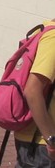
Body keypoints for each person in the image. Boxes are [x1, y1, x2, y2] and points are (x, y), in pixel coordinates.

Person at [14, 18, 55, 167]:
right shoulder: (53, 37)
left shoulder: (44, 28)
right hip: (42, 145)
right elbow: (32, 90)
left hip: (37, 141)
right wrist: (51, 139)